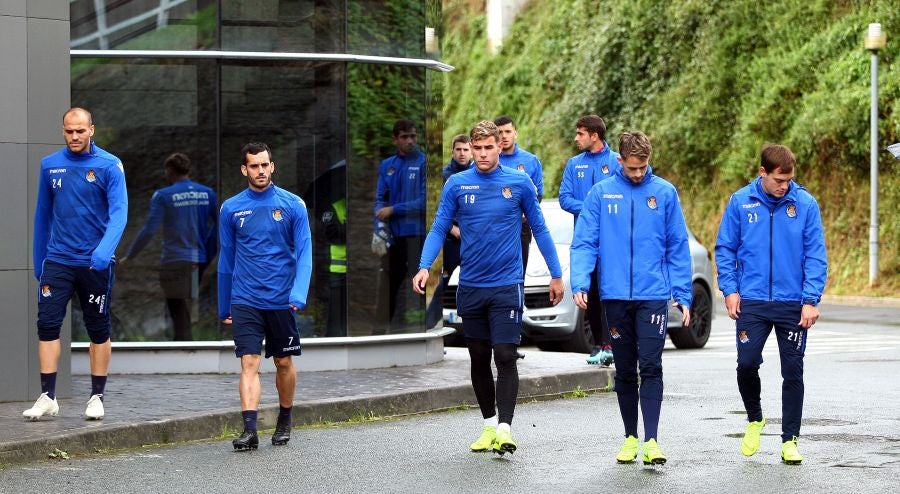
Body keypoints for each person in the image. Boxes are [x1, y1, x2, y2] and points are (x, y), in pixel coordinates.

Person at [413, 120, 563, 456]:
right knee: (479, 356)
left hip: (507, 284)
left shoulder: (519, 183)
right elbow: (439, 227)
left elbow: (539, 229)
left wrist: (556, 274)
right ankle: (488, 424)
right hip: (472, 285)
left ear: (499, 147)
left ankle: (506, 430)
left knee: (505, 354)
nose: (481, 154)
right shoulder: (457, 184)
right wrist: (425, 266)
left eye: (487, 148)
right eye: (476, 149)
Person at [570, 130, 692, 465]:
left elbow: (677, 247)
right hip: (614, 296)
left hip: (653, 296)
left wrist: (682, 294)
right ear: (620, 160)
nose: (638, 173)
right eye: (632, 167)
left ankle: (652, 441)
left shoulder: (665, 193)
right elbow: (584, 243)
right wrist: (580, 281)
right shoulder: (600, 194)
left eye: (643, 167)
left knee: (651, 365)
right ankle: (629, 438)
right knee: (624, 369)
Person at [715, 143, 827, 465]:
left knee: (793, 370)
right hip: (751, 301)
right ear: (763, 172)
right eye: (779, 180)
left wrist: (810, 300)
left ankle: (790, 440)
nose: (784, 186)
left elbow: (815, 255)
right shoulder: (740, 202)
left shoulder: (804, 204)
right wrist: (730, 290)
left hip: (793, 303)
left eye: (789, 180)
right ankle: (755, 418)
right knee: (747, 363)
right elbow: (726, 249)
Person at [24, 107, 128, 421]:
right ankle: (48, 396)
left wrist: (104, 251)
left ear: (91, 130)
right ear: (63, 130)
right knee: (47, 324)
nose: (74, 137)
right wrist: (37, 260)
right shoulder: (50, 165)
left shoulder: (109, 165)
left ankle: (96, 396)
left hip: (94, 263)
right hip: (57, 260)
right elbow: (42, 215)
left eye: (80, 131)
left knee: (98, 329)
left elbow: (120, 212)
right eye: (69, 131)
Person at [218, 142, 313, 450]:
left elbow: (305, 253)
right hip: (245, 298)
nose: (260, 171)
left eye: (264, 165)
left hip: (281, 299)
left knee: (283, 361)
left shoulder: (293, 204)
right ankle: (249, 430)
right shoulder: (231, 208)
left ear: (272, 166)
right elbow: (226, 258)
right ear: (244, 169)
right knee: (249, 361)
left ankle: (285, 419)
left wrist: (298, 292)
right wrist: (223, 302)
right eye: (253, 166)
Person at [121, 153, 217, 341]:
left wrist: (130, 256)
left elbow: (149, 229)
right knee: (183, 304)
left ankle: (184, 347)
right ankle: (182, 344)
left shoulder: (163, 196)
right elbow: (219, 225)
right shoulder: (207, 193)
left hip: (174, 259)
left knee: (176, 305)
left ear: (169, 171)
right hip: (199, 258)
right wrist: (208, 252)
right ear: (188, 170)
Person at [559, 115, 620, 366]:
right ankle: (598, 345)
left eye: (580, 134)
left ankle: (615, 343)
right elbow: (564, 198)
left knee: (612, 294)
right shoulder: (575, 164)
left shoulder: (616, 161)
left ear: (594, 135)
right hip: (586, 241)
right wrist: (591, 207)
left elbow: (624, 195)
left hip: (613, 241)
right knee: (591, 294)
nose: (576, 138)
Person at [373, 119, 426, 333]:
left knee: (418, 284)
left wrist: (394, 210)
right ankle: (379, 333)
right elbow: (379, 200)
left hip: (416, 234)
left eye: (413, 136)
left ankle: (420, 331)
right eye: (405, 137)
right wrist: (378, 228)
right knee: (388, 286)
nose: (410, 141)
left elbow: (425, 202)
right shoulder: (387, 165)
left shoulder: (423, 162)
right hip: (393, 236)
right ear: (395, 139)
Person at [424, 134, 473, 328]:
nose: (462, 153)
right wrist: (452, 229)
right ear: (452, 151)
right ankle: (428, 326)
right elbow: (435, 208)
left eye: (466, 150)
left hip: (473, 240)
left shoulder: (477, 173)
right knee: (445, 284)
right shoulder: (444, 176)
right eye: (458, 149)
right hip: (452, 240)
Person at [494, 116, 543, 274]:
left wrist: (525, 214)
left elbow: (538, 194)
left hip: (521, 227)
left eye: (508, 131)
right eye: (499, 132)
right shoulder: (487, 160)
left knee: (519, 274)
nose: (504, 136)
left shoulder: (530, 160)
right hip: (493, 227)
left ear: (516, 133)